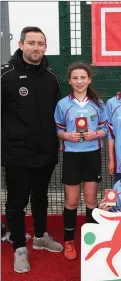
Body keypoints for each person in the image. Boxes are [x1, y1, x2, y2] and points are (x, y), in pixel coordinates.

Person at [1, 26, 63, 273]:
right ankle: (19, 246)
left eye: (41, 44)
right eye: (32, 43)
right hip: (16, 154)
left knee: (41, 197)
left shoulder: (51, 77)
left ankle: (39, 236)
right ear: (21, 44)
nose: (36, 48)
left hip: (45, 152)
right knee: (17, 202)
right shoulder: (5, 76)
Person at [54, 62, 108, 260]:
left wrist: (96, 134)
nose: (79, 81)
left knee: (91, 199)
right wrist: (67, 136)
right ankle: (69, 240)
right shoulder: (62, 104)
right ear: (69, 80)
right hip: (71, 156)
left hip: (92, 155)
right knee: (72, 201)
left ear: (89, 79)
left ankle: (92, 241)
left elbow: (106, 129)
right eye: (75, 78)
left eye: (83, 77)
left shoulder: (98, 104)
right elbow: (58, 130)